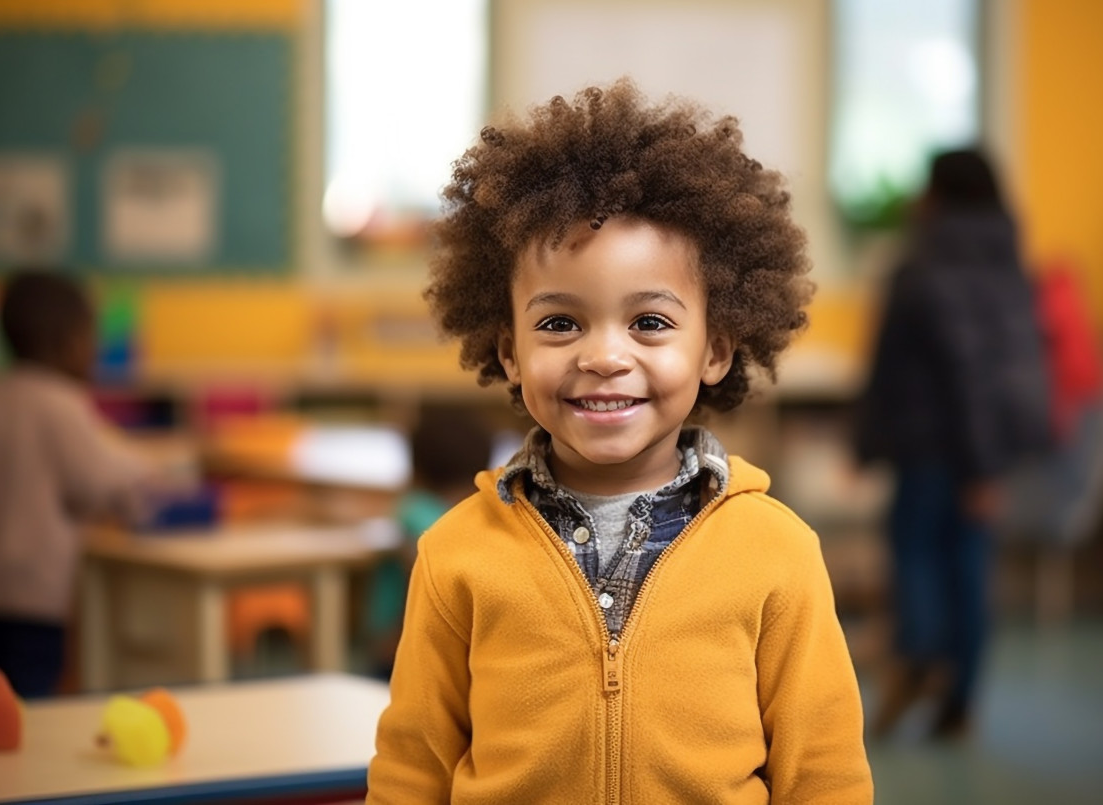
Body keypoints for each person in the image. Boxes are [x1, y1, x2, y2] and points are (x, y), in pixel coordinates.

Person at [366, 80, 872, 804]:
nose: (604, 355)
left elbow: (824, 773)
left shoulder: (779, 552)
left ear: (716, 349)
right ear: (508, 351)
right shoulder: (455, 555)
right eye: (560, 323)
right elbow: (412, 766)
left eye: (651, 323)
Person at [853, 148, 1051, 740]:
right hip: (984, 447)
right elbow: (1011, 369)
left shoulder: (921, 265)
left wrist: (864, 442)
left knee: (915, 553)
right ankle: (959, 703)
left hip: (927, 445)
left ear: (937, 196)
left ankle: (917, 658)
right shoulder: (1011, 265)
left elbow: (912, 367)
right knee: (970, 565)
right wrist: (990, 465)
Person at [0, 269, 183, 698]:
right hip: (35, 587)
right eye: (92, 337)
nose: (95, 351)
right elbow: (94, 478)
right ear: (69, 341)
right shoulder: (62, 404)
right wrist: (146, 469)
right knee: (34, 685)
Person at [362, 404, 494, 680]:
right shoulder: (484, 514)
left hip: (400, 647)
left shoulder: (414, 510)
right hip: (462, 653)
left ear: (416, 465)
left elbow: (418, 576)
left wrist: (394, 636)